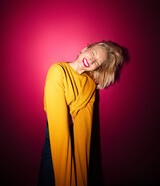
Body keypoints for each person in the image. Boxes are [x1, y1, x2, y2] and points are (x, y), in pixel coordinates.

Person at [38, 40, 124, 186]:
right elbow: (57, 121)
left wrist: (70, 116)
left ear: (97, 67)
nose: (91, 60)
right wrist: (71, 117)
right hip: (54, 136)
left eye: (97, 62)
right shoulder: (58, 70)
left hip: (75, 137)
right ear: (86, 48)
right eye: (93, 53)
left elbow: (84, 130)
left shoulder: (90, 86)